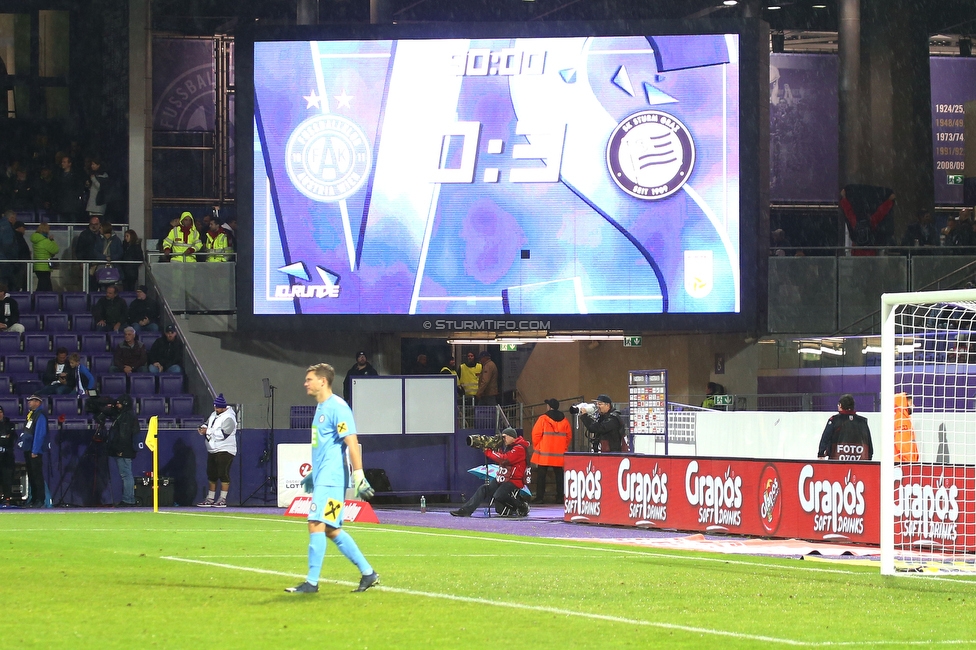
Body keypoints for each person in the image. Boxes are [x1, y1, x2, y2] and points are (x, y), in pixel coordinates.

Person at [285, 363, 379, 594]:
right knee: (331, 528)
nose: (305, 383)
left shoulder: (338, 407)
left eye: (309, 379)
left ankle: (311, 583)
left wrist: (359, 475)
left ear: (323, 381)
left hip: (331, 479)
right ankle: (369, 573)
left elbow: (352, 442)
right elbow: (325, 447)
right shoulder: (321, 407)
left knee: (315, 523)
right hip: (325, 477)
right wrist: (313, 474)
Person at [450, 427, 530, 517]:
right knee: (483, 489)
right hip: (503, 478)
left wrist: (488, 452)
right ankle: (465, 511)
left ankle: (521, 506)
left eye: (505, 437)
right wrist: (492, 447)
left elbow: (504, 459)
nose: (503, 439)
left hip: (514, 480)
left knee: (499, 495)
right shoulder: (508, 447)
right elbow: (501, 457)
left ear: (512, 437)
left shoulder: (519, 449)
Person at [196, 394, 237, 508]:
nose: (215, 409)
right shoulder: (214, 414)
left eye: (217, 407)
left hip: (225, 449)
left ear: (223, 407)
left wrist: (207, 431)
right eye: (215, 407)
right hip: (213, 449)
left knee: (223, 473)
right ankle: (210, 498)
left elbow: (223, 434)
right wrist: (202, 428)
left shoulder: (229, 418)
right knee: (212, 474)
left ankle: (222, 499)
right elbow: (207, 423)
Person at [531, 398, 572, 504]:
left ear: (549, 407)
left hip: (544, 452)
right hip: (559, 454)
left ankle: (540, 498)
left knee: (541, 476)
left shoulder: (543, 419)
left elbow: (536, 434)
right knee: (559, 475)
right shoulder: (565, 420)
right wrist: (563, 447)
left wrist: (537, 446)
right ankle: (560, 497)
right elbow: (568, 436)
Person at [105, 394, 139, 507]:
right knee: (126, 474)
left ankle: (128, 500)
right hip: (125, 449)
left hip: (124, 450)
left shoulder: (126, 417)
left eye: (119, 403)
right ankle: (129, 499)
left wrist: (120, 449)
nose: (117, 405)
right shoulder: (124, 415)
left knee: (126, 475)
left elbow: (124, 435)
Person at [817, 394, 873, 461]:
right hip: (859, 460)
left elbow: (825, 438)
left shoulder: (834, 420)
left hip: (837, 460)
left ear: (840, 405)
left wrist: (821, 453)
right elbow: (868, 441)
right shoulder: (862, 421)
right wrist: (869, 457)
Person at [19, 394, 48, 507]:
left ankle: (40, 499)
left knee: (37, 476)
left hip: (34, 451)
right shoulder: (32, 415)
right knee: (31, 475)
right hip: (28, 449)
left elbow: (40, 434)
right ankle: (34, 498)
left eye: (31, 401)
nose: (29, 403)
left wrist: (35, 450)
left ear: (38, 402)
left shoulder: (40, 416)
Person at [30, 219, 59, 292]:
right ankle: (38, 300)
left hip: (37, 266)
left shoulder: (36, 240)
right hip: (44, 266)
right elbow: (55, 250)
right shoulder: (45, 241)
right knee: (44, 287)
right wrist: (52, 240)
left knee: (44, 285)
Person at [894, 392, 919, 463]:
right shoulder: (902, 420)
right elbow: (903, 445)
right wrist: (910, 462)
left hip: (903, 463)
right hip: (903, 464)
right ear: (904, 404)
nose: (913, 406)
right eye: (910, 403)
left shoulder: (902, 419)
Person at [0, 404, 15, 505]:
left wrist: (4, 439)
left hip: (7, 456)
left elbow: (11, 439)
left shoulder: (10, 424)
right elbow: (6, 438)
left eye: (0, 412)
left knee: (7, 477)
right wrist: (4, 437)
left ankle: (7, 498)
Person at [11, 220, 30, 291]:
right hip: (20, 263)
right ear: (19, 228)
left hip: (21, 262)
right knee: (19, 283)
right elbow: (20, 249)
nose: (24, 229)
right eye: (23, 227)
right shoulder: (17, 237)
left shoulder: (18, 236)